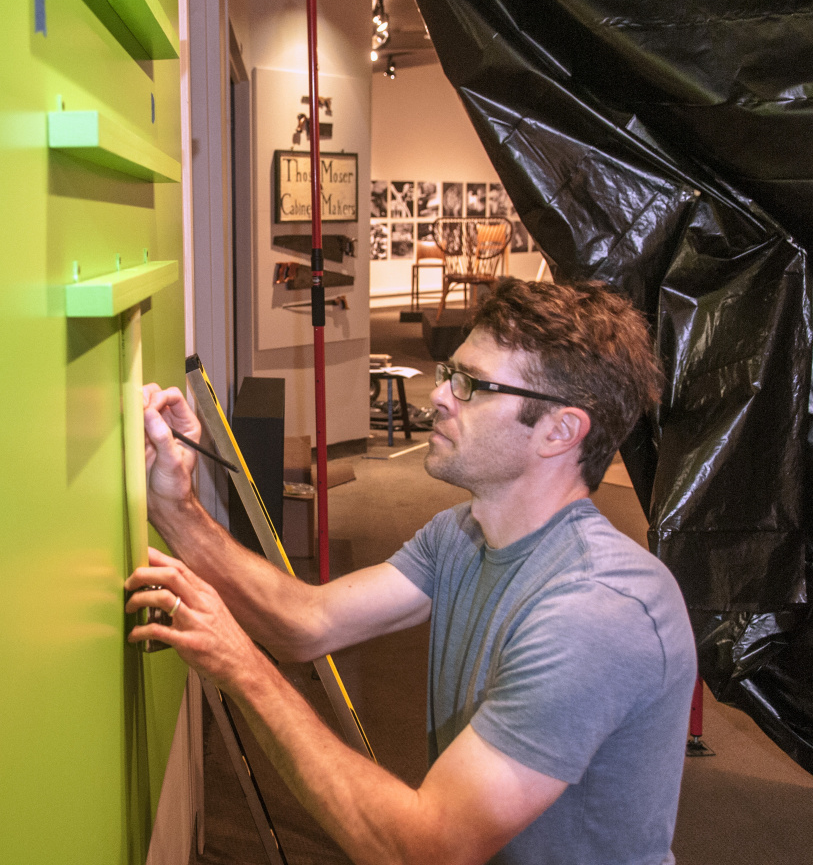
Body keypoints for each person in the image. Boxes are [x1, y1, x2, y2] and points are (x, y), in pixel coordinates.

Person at [126, 278, 697, 865]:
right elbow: (305, 621)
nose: (441, 395)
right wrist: (175, 507)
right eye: (451, 372)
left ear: (560, 431)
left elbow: (428, 849)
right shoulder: (462, 533)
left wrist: (240, 666)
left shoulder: (599, 609)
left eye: (471, 385)